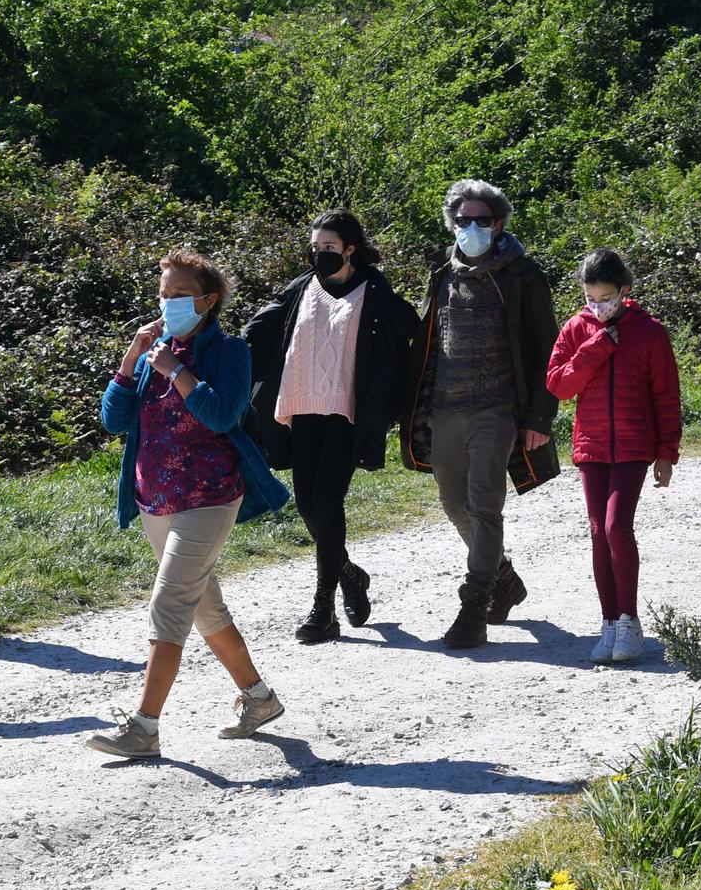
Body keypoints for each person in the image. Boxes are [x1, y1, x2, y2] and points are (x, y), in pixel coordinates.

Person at [86, 250, 292, 761]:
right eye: (164, 293)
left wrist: (176, 369)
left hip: (210, 496)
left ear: (209, 300)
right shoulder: (153, 350)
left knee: (170, 603)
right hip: (154, 498)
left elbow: (222, 415)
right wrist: (132, 357)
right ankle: (260, 699)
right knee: (203, 606)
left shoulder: (230, 351)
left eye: (180, 294)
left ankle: (144, 727)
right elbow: (114, 421)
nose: (169, 302)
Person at [242, 209, 419, 643]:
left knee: (327, 499)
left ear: (350, 249)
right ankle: (349, 574)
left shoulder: (374, 291)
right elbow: (259, 328)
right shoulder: (301, 287)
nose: (320, 253)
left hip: (346, 411)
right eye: (316, 247)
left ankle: (323, 608)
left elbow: (410, 330)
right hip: (301, 407)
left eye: (329, 247)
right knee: (306, 502)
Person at [399, 179, 560, 650]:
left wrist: (539, 417)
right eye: (463, 220)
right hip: (444, 410)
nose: (471, 227)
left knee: (484, 505)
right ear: (452, 222)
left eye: (482, 220)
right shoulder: (441, 273)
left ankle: (474, 606)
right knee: (454, 505)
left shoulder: (523, 275)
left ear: (500, 223)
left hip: (498, 409)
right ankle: (503, 577)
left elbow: (546, 348)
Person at [545, 249, 682, 664]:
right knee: (597, 532)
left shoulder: (650, 332)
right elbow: (558, 385)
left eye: (605, 298)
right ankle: (608, 624)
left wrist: (666, 453)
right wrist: (597, 346)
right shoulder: (576, 328)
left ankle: (629, 622)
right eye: (591, 299)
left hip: (634, 445)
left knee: (615, 527)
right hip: (592, 445)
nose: (598, 306)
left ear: (624, 290)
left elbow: (667, 396)